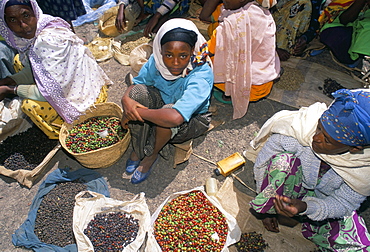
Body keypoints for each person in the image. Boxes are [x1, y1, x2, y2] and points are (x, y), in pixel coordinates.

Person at [246, 88, 370, 251]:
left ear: (354, 148)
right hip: (293, 184)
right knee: (282, 163)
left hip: (323, 201)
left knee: (359, 247)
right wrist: (267, 208)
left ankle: (311, 225)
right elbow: (263, 163)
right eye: (319, 128)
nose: (315, 138)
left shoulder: (363, 168)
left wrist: (306, 207)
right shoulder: (301, 130)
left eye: (327, 140)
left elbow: (342, 203)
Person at [0, 0, 112, 139]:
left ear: (34, 11)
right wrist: (10, 80)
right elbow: (35, 67)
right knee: (18, 60)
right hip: (77, 83)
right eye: (13, 20)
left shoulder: (46, 40)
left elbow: (51, 91)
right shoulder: (43, 26)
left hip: (85, 97)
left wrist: (11, 90)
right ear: (6, 24)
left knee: (29, 106)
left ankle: (66, 131)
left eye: (26, 15)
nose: (22, 25)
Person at [120, 18, 213, 184]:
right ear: (160, 50)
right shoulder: (156, 62)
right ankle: (139, 148)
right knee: (137, 94)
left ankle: (151, 154)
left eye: (183, 56)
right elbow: (138, 83)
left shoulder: (201, 73)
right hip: (161, 105)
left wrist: (134, 111)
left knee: (168, 114)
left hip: (191, 120)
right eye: (168, 55)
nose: (175, 63)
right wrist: (126, 99)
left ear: (192, 50)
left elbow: (175, 117)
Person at [199, 0, 281, 119]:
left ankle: (229, 91)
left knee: (205, 58)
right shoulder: (263, 13)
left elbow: (206, 51)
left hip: (249, 90)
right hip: (263, 86)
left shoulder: (233, 21)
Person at [319, 0, 370, 68]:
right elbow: (344, 20)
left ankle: (357, 57)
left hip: (363, 30)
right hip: (340, 26)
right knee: (335, 35)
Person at [115, 0, 191, 37]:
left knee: (158, 29)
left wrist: (157, 16)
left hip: (174, 3)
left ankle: (165, 15)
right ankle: (144, 12)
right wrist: (121, 8)